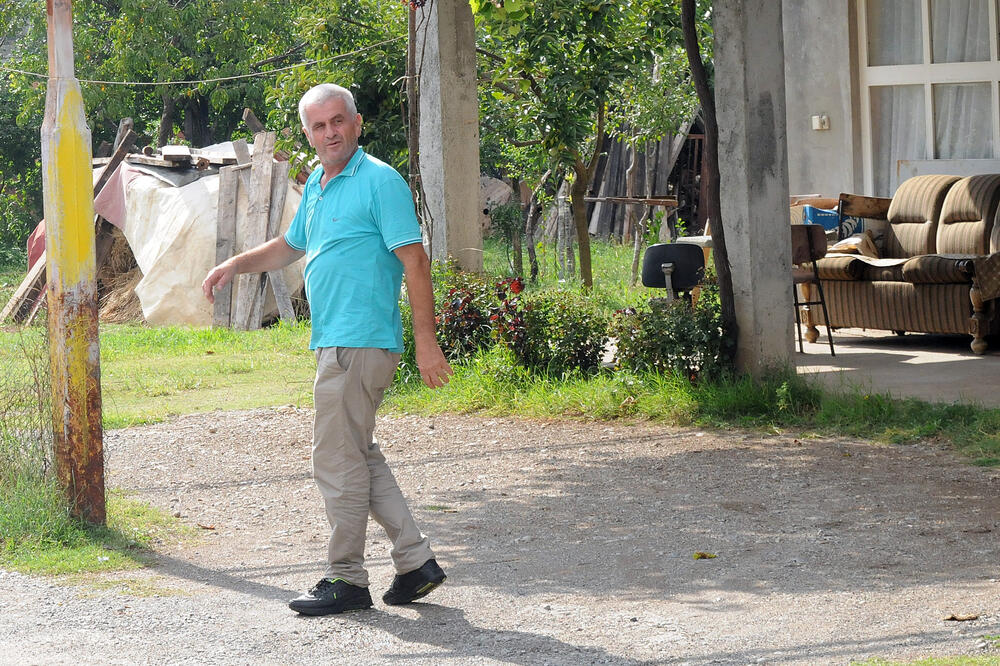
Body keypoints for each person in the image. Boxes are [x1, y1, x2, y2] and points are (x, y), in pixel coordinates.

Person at [202, 83, 454, 616]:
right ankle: (414, 562)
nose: (330, 132)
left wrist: (427, 345)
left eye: (337, 121)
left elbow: (415, 262)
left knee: (334, 462)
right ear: (308, 134)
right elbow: (292, 245)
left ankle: (347, 580)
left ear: (356, 124)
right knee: (357, 454)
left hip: (359, 340)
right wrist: (232, 264)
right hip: (336, 342)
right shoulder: (317, 182)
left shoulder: (380, 181)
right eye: (319, 126)